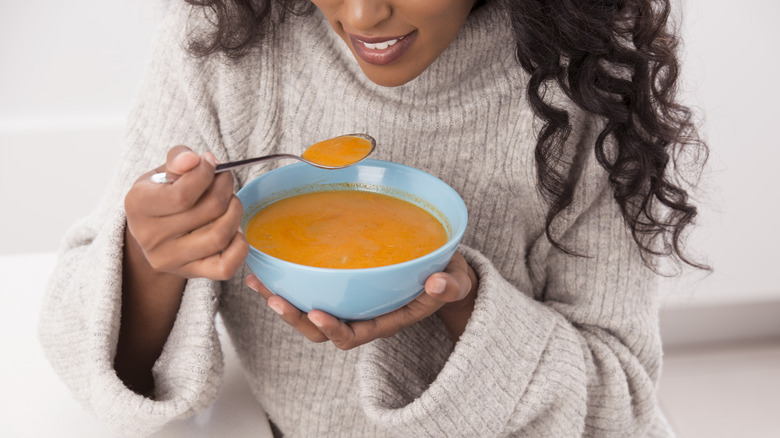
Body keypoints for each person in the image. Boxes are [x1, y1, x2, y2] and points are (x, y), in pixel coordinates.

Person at [39, 0, 708, 436]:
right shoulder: (228, 35)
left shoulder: (592, 82)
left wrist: (461, 305)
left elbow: (619, 411)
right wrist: (148, 255)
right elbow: (80, 351)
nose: (363, 15)